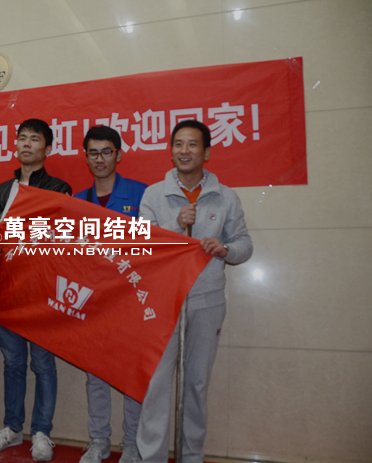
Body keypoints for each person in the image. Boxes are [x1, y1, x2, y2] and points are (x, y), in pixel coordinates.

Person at [136, 120, 253, 462]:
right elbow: (141, 245)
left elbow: (244, 244)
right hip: (163, 302)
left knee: (197, 384)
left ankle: (192, 455)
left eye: (192, 144)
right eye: (178, 144)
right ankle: (152, 457)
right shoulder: (153, 195)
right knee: (156, 384)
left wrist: (225, 249)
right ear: (170, 150)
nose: (184, 151)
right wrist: (175, 226)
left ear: (206, 152)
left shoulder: (225, 197)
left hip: (207, 301)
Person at [0, 118, 71, 462]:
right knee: (13, 363)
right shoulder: (1, 190)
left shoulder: (59, 187)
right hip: (7, 290)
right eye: (22, 138)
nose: (27, 144)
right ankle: (12, 427)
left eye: (34, 139)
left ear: (47, 148)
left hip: (42, 290)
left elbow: (63, 241)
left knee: (43, 364)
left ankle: (42, 432)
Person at [74, 125, 147, 463]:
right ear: (86, 157)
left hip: (131, 301)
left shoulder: (141, 194)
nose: (100, 159)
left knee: (133, 377)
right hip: (94, 302)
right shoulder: (78, 201)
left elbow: (153, 248)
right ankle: (99, 441)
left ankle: (132, 444)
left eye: (106, 152)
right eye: (93, 153)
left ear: (118, 155)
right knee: (96, 377)